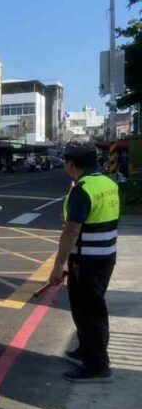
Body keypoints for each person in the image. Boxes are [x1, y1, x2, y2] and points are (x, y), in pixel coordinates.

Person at [45, 142, 119, 383]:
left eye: (65, 160)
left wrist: (58, 266)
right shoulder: (108, 183)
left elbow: (71, 231)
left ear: (72, 164)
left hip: (87, 259)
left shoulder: (83, 189)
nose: (64, 163)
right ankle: (87, 350)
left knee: (88, 312)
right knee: (92, 308)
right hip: (105, 256)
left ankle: (97, 366)